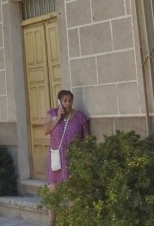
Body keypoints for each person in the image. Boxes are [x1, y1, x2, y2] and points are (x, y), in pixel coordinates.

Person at [45, 89, 89, 225]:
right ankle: (51, 222)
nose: (68, 103)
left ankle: (73, 221)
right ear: (59, 102)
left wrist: (86, 157)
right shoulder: (52, 114)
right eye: (65, 100)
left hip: (73, 159)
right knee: (53, 190)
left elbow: (87, 138)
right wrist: (58, 118)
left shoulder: (80, 116)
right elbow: (45, 130)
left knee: (73, 191)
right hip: (57, 159)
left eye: (70, 100)